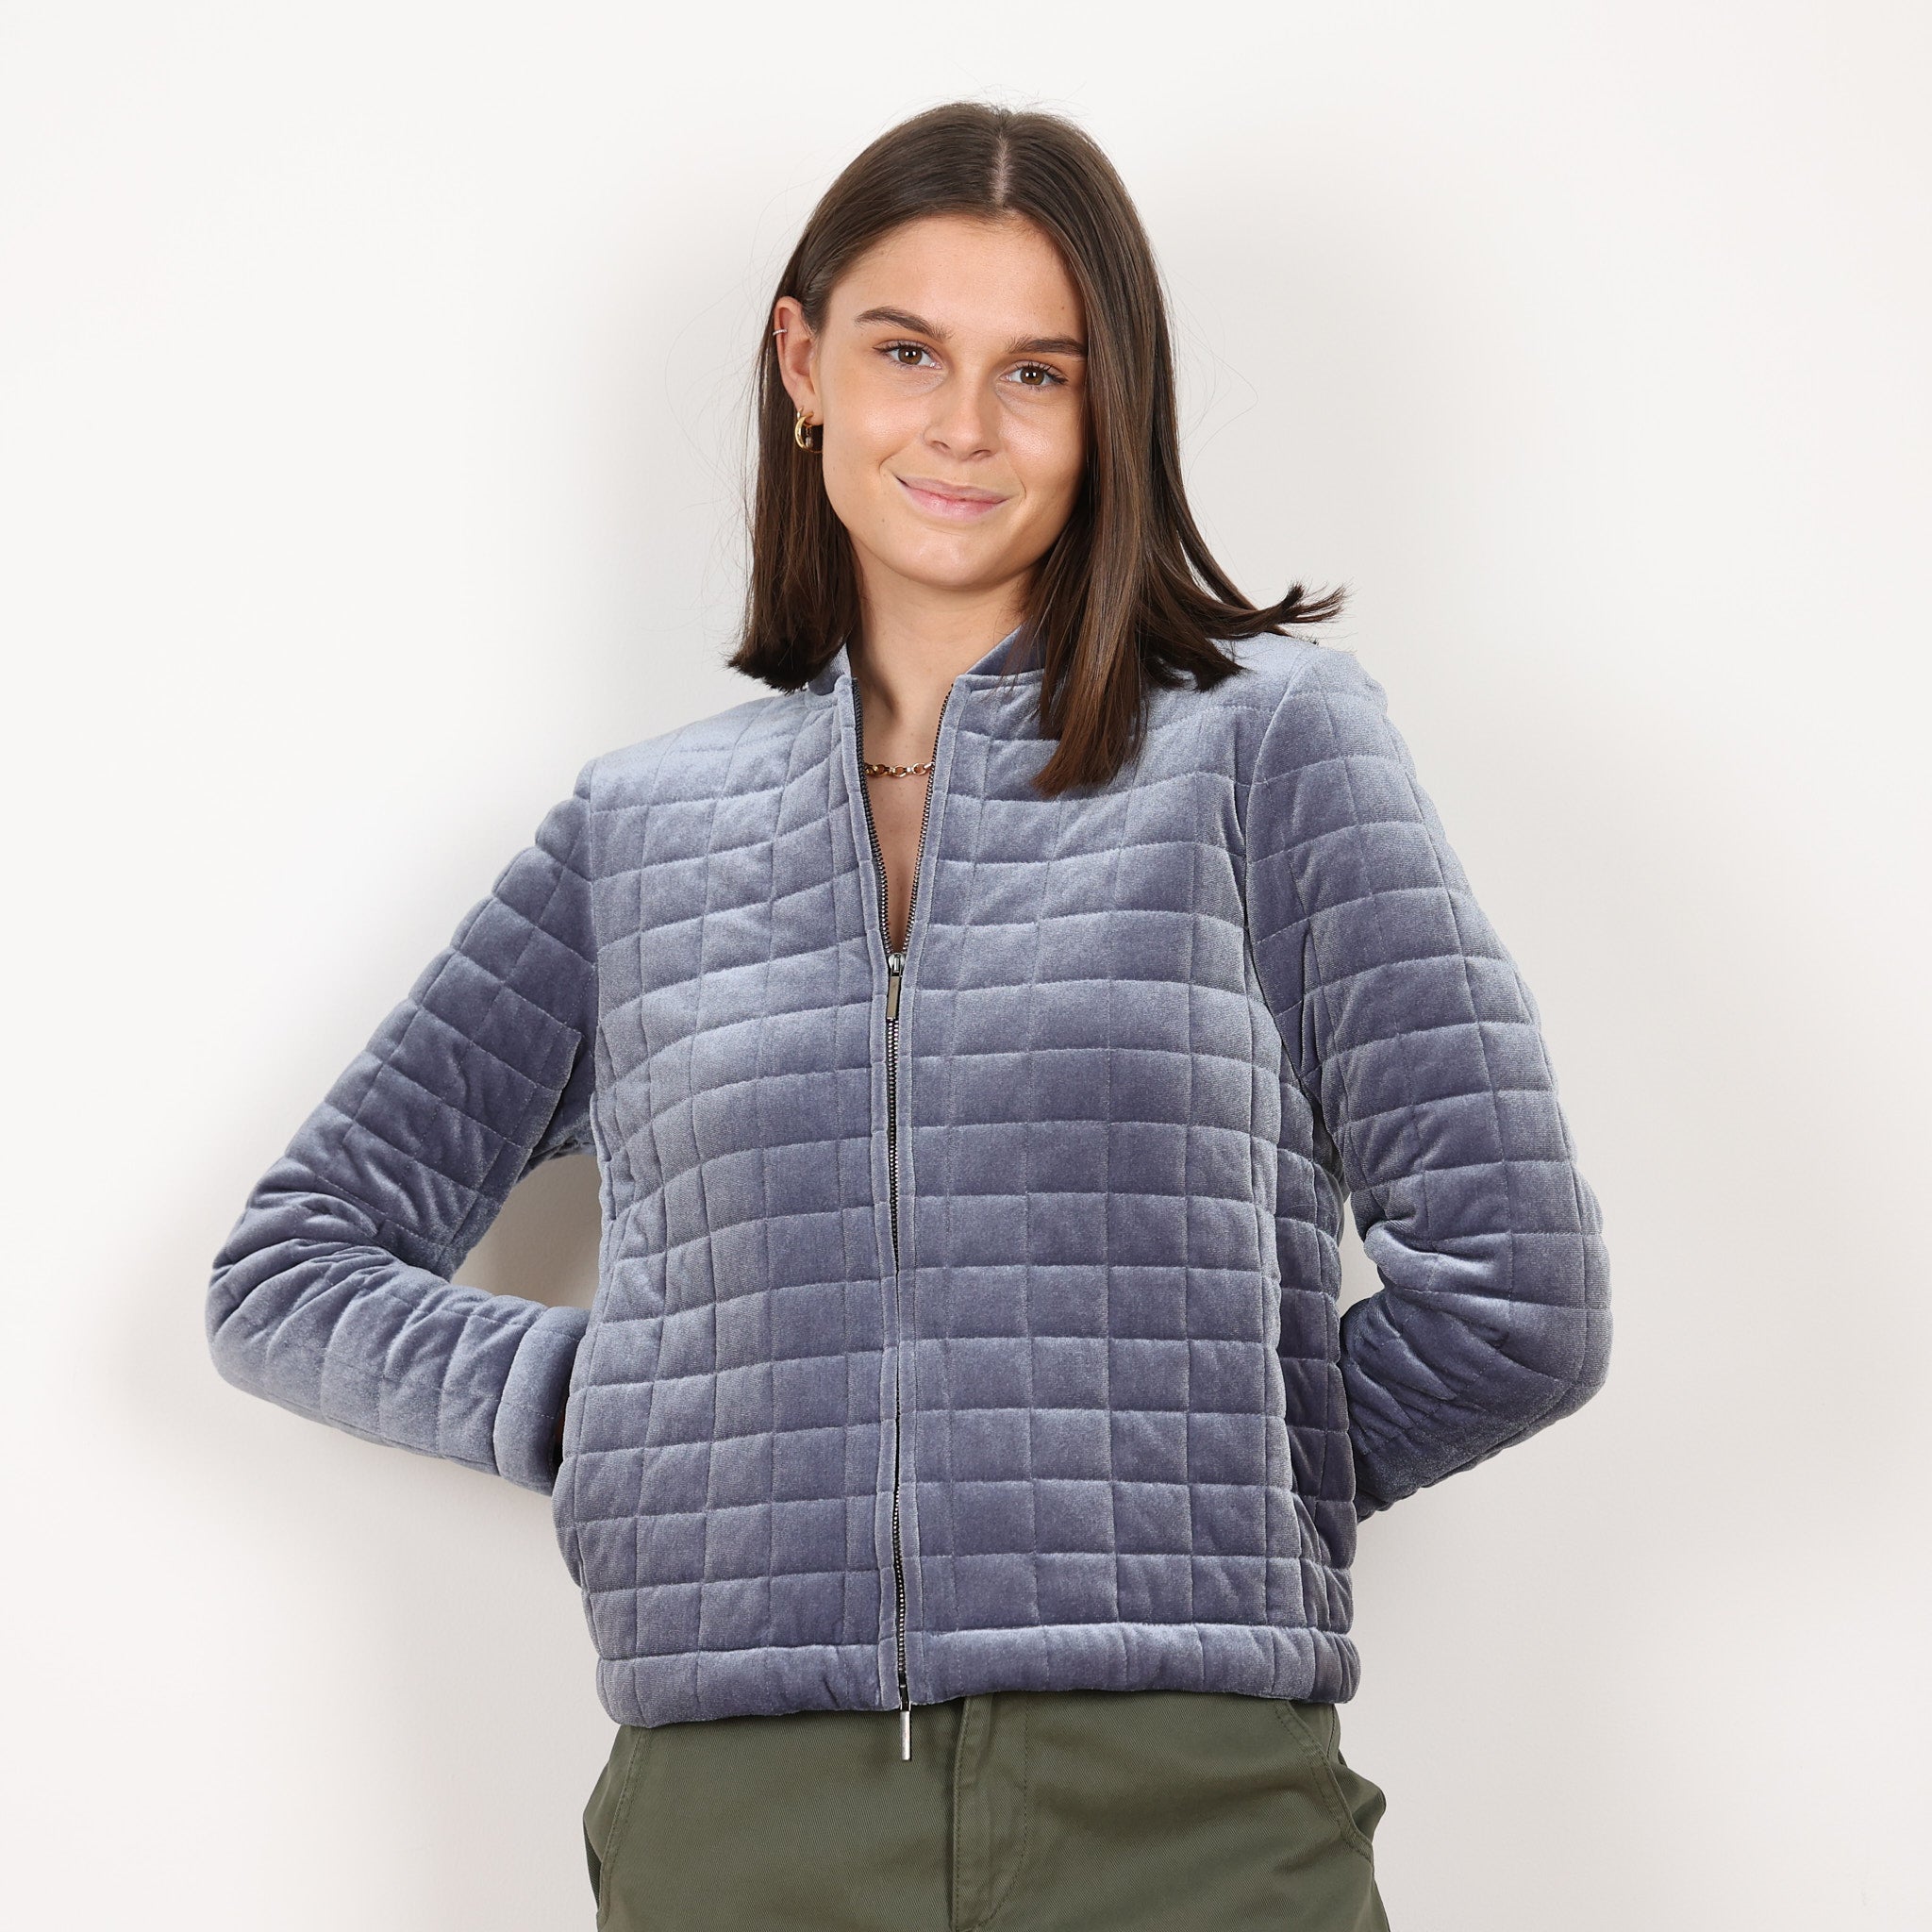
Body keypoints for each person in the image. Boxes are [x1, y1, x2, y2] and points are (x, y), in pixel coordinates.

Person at [207, 99, 1611, 1931]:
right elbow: (288, 1268)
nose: (964, 427)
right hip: (740, 1812)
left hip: (1188, 1805)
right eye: (905, 352)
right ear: (803, 366)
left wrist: (1197, 1481)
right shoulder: (639, 833)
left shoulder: (1271, 747)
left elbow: (1517, 1295)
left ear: (1112, 410)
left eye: (1038, 371)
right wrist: (607, 1408)